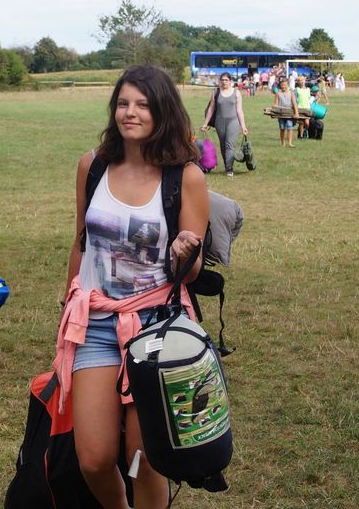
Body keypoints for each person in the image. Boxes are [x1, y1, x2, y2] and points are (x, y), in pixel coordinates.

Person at [57, 65, 209, 509]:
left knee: (144, 460)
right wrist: (67, 305)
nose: (130, 112)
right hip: (96, 322)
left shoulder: (185, 177)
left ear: (162, 111)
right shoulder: (92, 166)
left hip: (157, 327)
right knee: (94, 458)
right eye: (123, 103)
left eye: (143, 105)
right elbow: (81, 242)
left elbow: (191, 273)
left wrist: (184, 252)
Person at [200, 73, 249, 177]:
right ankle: (227, 165)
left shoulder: (236, 93)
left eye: (226, 80)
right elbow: (211, 109)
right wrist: (205, 124)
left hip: (233, 122)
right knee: (223, 146)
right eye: (222, 80)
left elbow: (239, 110)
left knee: (229, 145)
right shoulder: (216, 92)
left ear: (230, 81)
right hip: (219, 122)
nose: (224, 82)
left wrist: (243, 126)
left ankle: (229, 169)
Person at [275, 77, 299, 147]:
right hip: (281, 114)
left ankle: (290, 143)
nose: (283, 86)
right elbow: (276, 103)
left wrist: (296, 113)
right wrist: (275, 108)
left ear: (287, 85)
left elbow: (294, 103)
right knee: (282, 128)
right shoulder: (278, 93)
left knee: (289, 126)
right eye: (282, 85)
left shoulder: (291, 93)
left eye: (285, 85)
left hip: (289, 113)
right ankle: (283, 143)